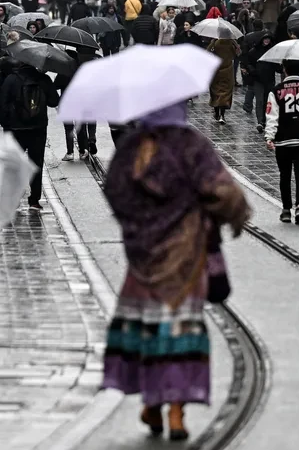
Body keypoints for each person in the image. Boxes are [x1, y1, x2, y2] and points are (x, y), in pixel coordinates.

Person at [101, 101, 251, 441]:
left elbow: (114, 191)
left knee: (148, 329)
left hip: (143, 258)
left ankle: (152, 403)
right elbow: (224, 192)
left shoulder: (132, 147)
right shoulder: (191, 145)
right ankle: (177, 411)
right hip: (186, 255)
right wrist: (223, 214)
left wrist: (137, 223)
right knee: (181, 330)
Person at [0, 57, 60, 209]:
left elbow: (2, 103)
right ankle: (34, 200)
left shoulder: (11, 79)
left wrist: (6, 124)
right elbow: (54, 102)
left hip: (15, 129)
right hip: (38, 128)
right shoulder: (43, 79)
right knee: (36, 163)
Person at [264, 61, 299, 224]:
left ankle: (286, 209)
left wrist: (269, 137)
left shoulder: (276, 91)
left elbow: (272, 116)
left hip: (284, 138)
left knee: (285, 175)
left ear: (284, 70)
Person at [241, 32, 276, 129]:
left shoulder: (272, 51)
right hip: (258, 79)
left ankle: (265, 119)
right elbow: (247, 62)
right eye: (265, 39)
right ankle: (260, 121)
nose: (267, 41)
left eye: (268, 39)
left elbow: (276, 66)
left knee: (267, 100)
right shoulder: (254, 51)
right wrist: (252, 70)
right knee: (260, 101)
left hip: (269, 80)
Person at [207, 37, 239, 123]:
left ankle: (217, 112)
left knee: (215, 91)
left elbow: (208, 53)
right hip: (227, 71)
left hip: (216, 71)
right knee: (225, 93)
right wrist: (235, 44)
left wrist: (212, 42)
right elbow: (238, 53)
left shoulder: (215, 43)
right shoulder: (231, 43)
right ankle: (222, 114)